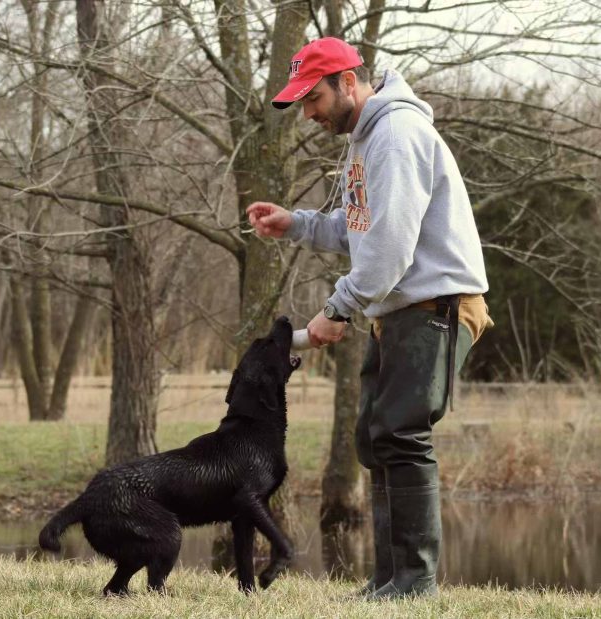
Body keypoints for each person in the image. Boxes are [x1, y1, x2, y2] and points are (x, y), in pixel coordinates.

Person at [246, 37, 492, 599]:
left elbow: (387, 251)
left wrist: (338, 309)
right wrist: (299, 223)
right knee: (375, 437)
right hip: (400, 307)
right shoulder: (365, 141)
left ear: (347, 83)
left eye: (313, 99)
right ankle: (390, 579)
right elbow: (357, 228)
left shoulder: (397, 137)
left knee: (401, 434)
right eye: (301, 103)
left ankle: (414, 583)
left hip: (435, 306)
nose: (308, 114)